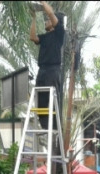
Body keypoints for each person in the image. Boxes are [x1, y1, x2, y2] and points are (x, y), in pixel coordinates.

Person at [30, 1, 65, 131]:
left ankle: (54, 128)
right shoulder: (45, 37)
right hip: (42, 71)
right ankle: (44, 127)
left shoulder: (59, 33)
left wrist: (42, 2)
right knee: (40, 100)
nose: (46, 21)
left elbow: (50, 13)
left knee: (51, 100)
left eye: (48, 20)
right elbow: (32, 37)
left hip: (53, 71)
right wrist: (34, 17)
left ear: (55, 23)